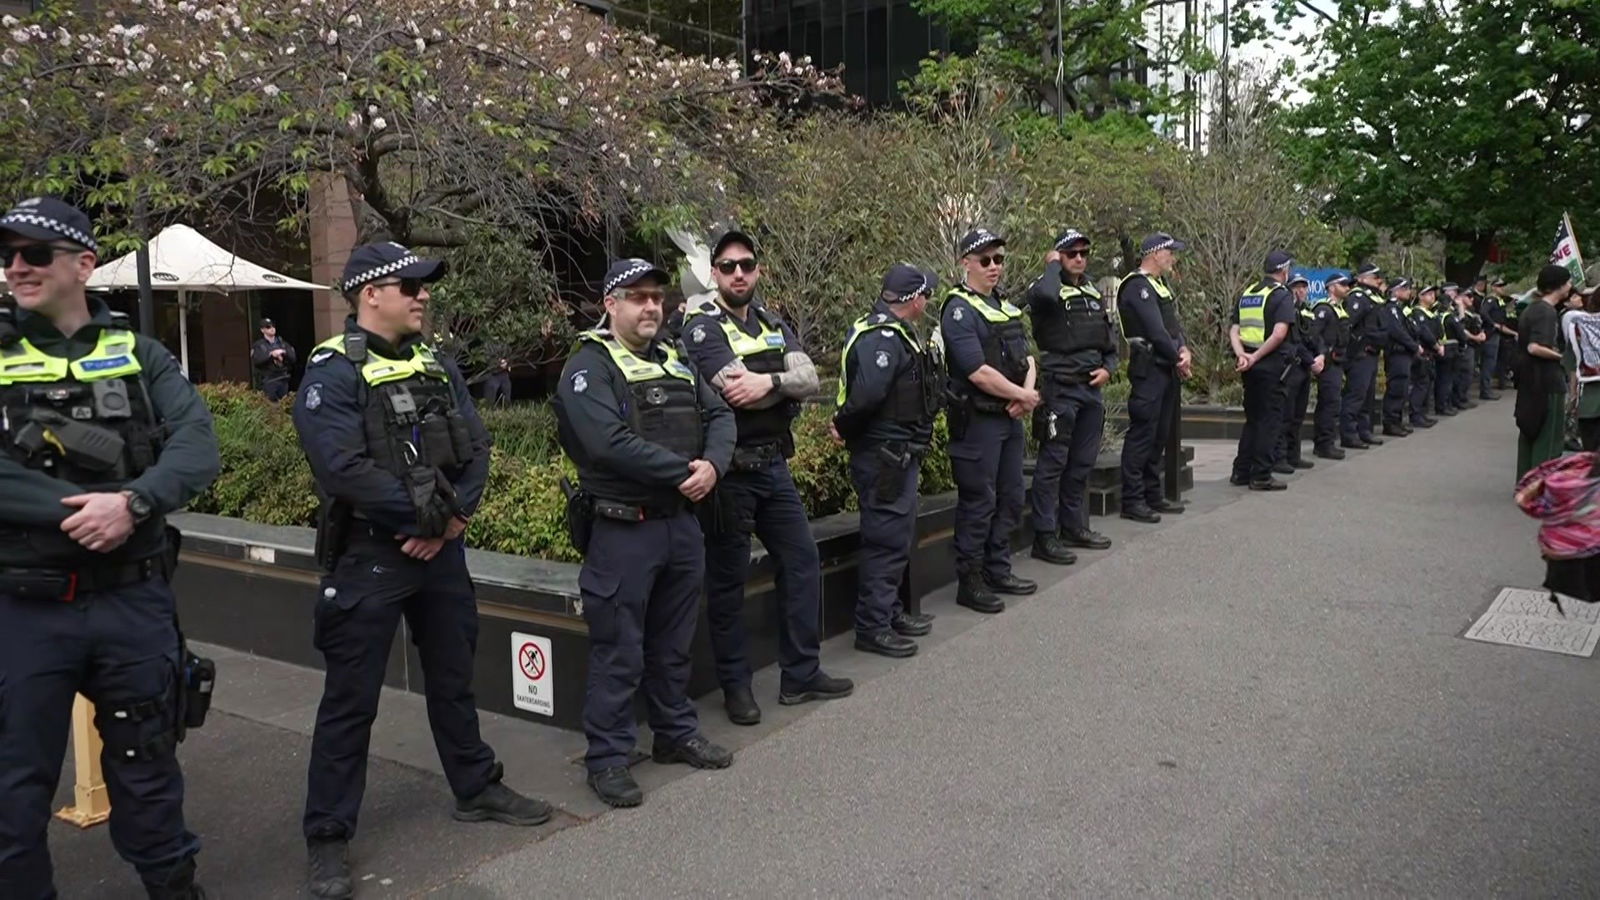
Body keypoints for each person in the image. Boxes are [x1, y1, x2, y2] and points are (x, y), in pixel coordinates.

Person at [294, 243, 549, 898]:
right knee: (351, 700)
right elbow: (341, 469)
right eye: (410, 286)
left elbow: (477, 446)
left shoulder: (436, 363)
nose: (423, 295)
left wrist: (451, 519)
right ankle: (328, 834)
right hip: (371, 557)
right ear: (370, 293)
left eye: (423, 285)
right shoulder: (332, 370)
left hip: (440, 552)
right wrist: (426, 521)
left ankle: (475, 786)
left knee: (454, 677)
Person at [0, 197, 220, 899]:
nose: (16, 266)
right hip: (25, 609)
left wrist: (132, 504)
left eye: (35, 253)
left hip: (132, 599)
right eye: (7, 255)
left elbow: (197, 445)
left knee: (149, 768)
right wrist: (85, 513)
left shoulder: (142, 355)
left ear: (83, 264)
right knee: (12, 789)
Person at [554, 258, 736, 808]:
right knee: (619, 649)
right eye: (638, 297)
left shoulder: (675, 359)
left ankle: (674, 733)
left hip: (679, 525)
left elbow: (721, 415)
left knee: (674, 643)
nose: (652, 306)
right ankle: (608, 757)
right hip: (623, 529)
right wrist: (686, 472)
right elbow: (608, 443)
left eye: (657, 297)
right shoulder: (589, 367)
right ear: (611, 305)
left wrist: (714, 466)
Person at [678, 229, 852, 725]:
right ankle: (736, 687)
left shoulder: (773, 322)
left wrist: (770, 382)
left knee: (802, 561)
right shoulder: (702, 328)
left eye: (747, 265)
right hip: (729, 474)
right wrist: (783, 386)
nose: (738, 274)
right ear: (714, 273)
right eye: (728, 266)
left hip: (774, 467)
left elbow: (810, 379)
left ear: (758, 271)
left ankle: (800, 674)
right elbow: (735, 391)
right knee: (728, 584)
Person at [833, 264, 943, 658]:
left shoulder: (895, 333)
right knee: (884, 540)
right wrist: (842, 426)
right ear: (914, 300)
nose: (927, 301)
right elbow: (866, 397)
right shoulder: (881, 338)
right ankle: (873, 626)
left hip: (896, 454)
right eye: (925, 294)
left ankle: (889, 612)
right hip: (884, 456)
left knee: (896, 536)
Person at [940, 228, 1038, 614]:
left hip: (1010, 416)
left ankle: (998, 569)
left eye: (999, 259)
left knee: (1011, 497)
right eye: (985, 260)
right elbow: (977, 372)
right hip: (978, 420)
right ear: (966, 262)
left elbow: (1028, 358)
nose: (994, 266)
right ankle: (971, 581)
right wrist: (1022, 396)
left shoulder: (1003, 305)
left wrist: (1026, 394)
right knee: (979, 502)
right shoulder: (959, 310)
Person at [1024, 229, 1118, 565]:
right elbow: (1045, 296)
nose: (1079, 258)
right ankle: (1044, 536)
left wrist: (1109, 368)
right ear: (1058, 256)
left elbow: (1109, 338)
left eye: (1083, 253)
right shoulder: (1045, 287)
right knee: (1052, 465)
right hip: (1061, 388)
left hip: (1091, 389)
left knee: (1081, 463)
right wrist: (1051, 265)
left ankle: (1074, 527)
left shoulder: (1091, 291)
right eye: (1070, 253)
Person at [1117, 232, 1192, 521]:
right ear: (1154, 253)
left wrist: (1183, 349)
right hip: (1149, 368)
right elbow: (1155, 331)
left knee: (1159, 435)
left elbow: (1172, 326)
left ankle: (1152, 494)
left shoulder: (1159, 285)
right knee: (1142, 435)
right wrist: (1178, 359)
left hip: (1165, 367)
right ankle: (1132, 500)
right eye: (1169, 252)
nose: (1173, 258)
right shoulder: (1137, 286)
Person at [1227, 250, 1297, 491]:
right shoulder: (1281, 295)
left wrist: (1242, 355)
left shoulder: (1248, 293)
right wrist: (1255, 357)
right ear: (1283, 271)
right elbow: (1279, 333)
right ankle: (1261, 475)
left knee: (1253, 419)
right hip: (1270, 365)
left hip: (1249, 366)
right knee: (1269, 422)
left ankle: (1241, 471)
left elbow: (1234, 330)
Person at [1516, 265, 1574, 478]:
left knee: (1530, 434)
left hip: (1530, 382)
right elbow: (1535, 347)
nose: (1570, 286)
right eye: (1568, 282)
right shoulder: (1546, 312)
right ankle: (1540, 486)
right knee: (1548, 441)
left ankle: (1526, 485)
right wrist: (1562, 357)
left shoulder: (1532, 308)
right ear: (1559, 285)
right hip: (1547, 383)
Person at [1274, 272, 1323, 474]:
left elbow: (1315, 337)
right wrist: (1312, 360)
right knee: (1286, 415)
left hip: (1304, 368)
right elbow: (1296, 342)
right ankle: (1280, 457)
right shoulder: (1288, 311)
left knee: (1298, 416)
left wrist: (1321, 355)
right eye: (1296, 287)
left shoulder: (1307, 311)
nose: (1301, 291)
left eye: (1303, 287)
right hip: (1292, 368)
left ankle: (1293, 456)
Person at [1340, 263, 1386, 449]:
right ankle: (1349, 435)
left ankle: (1363, 431)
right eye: (1375, 277)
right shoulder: (1358, 297)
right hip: (1360, 354)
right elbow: (1348, 324)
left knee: (1367, 397)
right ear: (1362, 278)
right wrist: (1354, 348)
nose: (1378, 280)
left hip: (1371, 353)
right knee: (1356, 396)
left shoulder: (1373, 297)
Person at [1310, 273, 1352, 459]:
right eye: (1343, 285)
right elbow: (1314, 334)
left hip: (1338, 362)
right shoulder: (1323, 308)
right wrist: (1323, 354)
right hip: (1328, 363)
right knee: (1329, 403)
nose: (1347, 288)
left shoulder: (1339, 309)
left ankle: (1325, 442)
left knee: (1332, 403)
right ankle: (1324, 444)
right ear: (1331, 287)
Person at [1377, 278, 1423, 437]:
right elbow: (1397, 331)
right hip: (1396, 353)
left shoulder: (1401, 309)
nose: (1409, 292)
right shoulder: (1391, 309)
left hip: (1404, 353)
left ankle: (1396, 421)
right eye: (1405, 289)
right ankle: (1390, 423)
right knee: (1396, 388)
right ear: (1396, 291)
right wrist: (1414, 346)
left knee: (1402, 389)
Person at [1560, 287, 1600, 451]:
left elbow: (1572, 366)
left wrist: (1573, 396)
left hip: (1589, 404)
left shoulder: (1578, 327)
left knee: (1591, 455)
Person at [1407, 285, 1442, 427]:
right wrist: (1436, 345)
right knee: (1420, 385)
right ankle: (1416, 415)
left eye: (1433, 294)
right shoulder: (1417, 313)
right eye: (1428, 294)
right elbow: (1423, 332)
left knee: (1426, 384)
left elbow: (1438, 331)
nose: (1432, 296)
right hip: (1422, 352)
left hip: (1430, 353)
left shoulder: (1430, 313)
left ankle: (1422, 413)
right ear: (1420, 296)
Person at [251, 317, 296, 401]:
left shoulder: (282, 343)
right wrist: (271, 355)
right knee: (271, 405)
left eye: (273, 326)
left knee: (284, 404)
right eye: (268, 327)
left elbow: (293, 358)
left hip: (283, 378)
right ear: (262, 330)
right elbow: (257, 361)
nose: (272, 329)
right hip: (269, 380)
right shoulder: (259, 345)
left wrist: (283, 353)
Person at [1479, 280, 1507, 400]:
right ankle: (1485, 390)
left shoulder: (1499, 300)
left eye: (1503, 286)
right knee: (1489, 363)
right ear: (1493, 288)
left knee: (1492, 362)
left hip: (1497, 334)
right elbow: (1483, 312)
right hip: (1490, 333)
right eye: (1499, 286)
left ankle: (1487, 389)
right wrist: (1493, 323)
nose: (1502, 288)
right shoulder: (1491, 300)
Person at [1498, 278, 1521, 390]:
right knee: (1504, 362)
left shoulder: (1517, 313)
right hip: (1506, 339)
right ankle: (1502, 383)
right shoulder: (1503, 313)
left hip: (1514, 339)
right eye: (1512, 301)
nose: (1513, 303)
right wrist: (1514, 333)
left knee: (1515, 361)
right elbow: (1502, 326)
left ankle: (1515, 381)